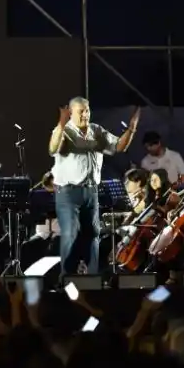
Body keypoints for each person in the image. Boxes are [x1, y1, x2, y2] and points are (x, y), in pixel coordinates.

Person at [48, 97, 140, 275]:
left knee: (93, 235)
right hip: (68, 192)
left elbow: (119, 146)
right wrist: (61, 121)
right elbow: (53, 148)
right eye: (81, 111)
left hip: (91, 191)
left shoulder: (97, 131)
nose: (85, 114)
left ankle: (92, 278)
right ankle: (66, 278)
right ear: (71, 113)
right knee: (71, 234)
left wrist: (132, 128)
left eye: (87, 110)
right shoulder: (64, 131)